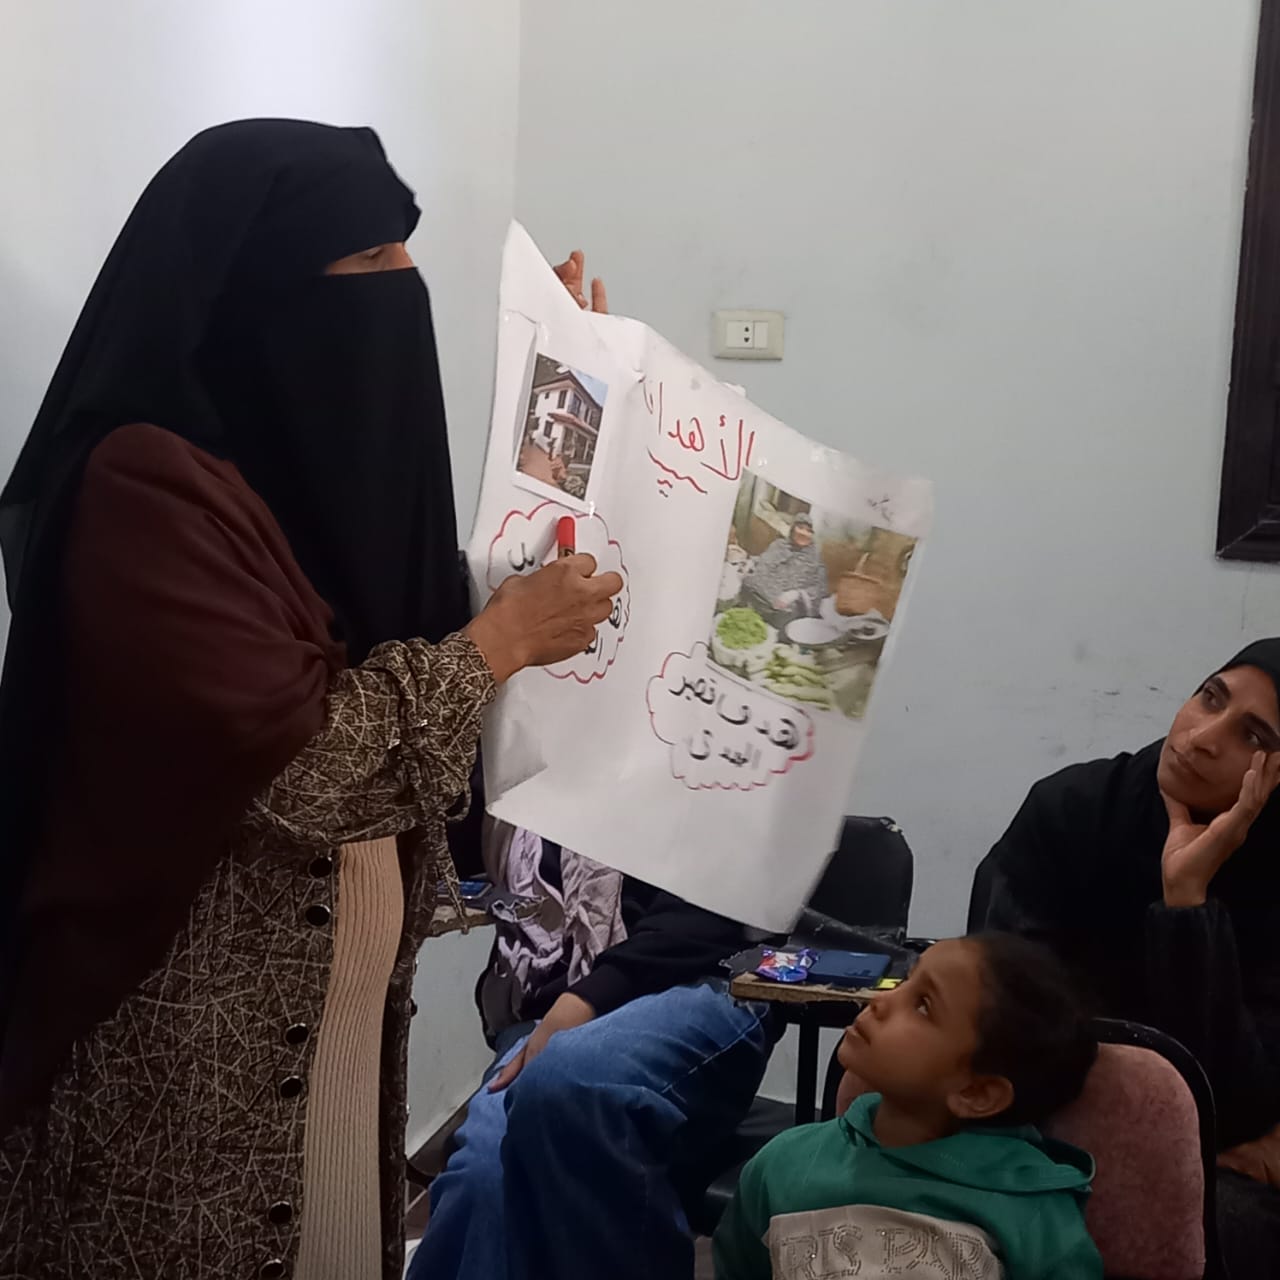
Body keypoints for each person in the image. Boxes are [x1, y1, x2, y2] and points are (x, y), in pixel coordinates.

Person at [0, 120, 621, 1280]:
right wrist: (494, 645)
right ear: (255, 292)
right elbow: (300, 766)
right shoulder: (144, 488)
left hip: (330, 1041)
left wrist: (570, 398)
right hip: (185, 1063)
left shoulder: (283, 477)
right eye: (370, 261)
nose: (402, 292)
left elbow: (410, 610)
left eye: (407, 257)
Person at [979, 640, 1280, 1272]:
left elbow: (1239, 1104)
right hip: (1029, 1127)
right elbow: (998, 1019)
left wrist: (1187, 904)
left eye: (1253, 737)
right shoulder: (1072, 811)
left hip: (1222, 1177)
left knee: (1220, 1224)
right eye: (1211, 697)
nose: (1202, 738)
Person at [410, 821, 780, 1280]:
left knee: (568, 1078)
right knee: (483, 1169)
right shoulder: (511, 776)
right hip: (549, 1002)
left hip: (699, 976)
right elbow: (447, 848)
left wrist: (585, 1000)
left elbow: (712, 911)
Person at [714, 935, 1102, 1280]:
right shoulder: (782, 1167)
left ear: (977, 1092)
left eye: (923, 1006)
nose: (881, 1001)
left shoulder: (1036, 1219)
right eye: (905, 981)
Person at [741, 512, 828, 628]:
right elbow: (765, 559)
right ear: (793, 529)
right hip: (758, 595)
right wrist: (751, 562)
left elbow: (820, 588)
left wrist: (797, 594)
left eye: (809, 531)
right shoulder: (779, 545)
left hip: (784, 608)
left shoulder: (815, 558)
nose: (804, 533)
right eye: (800, 527)